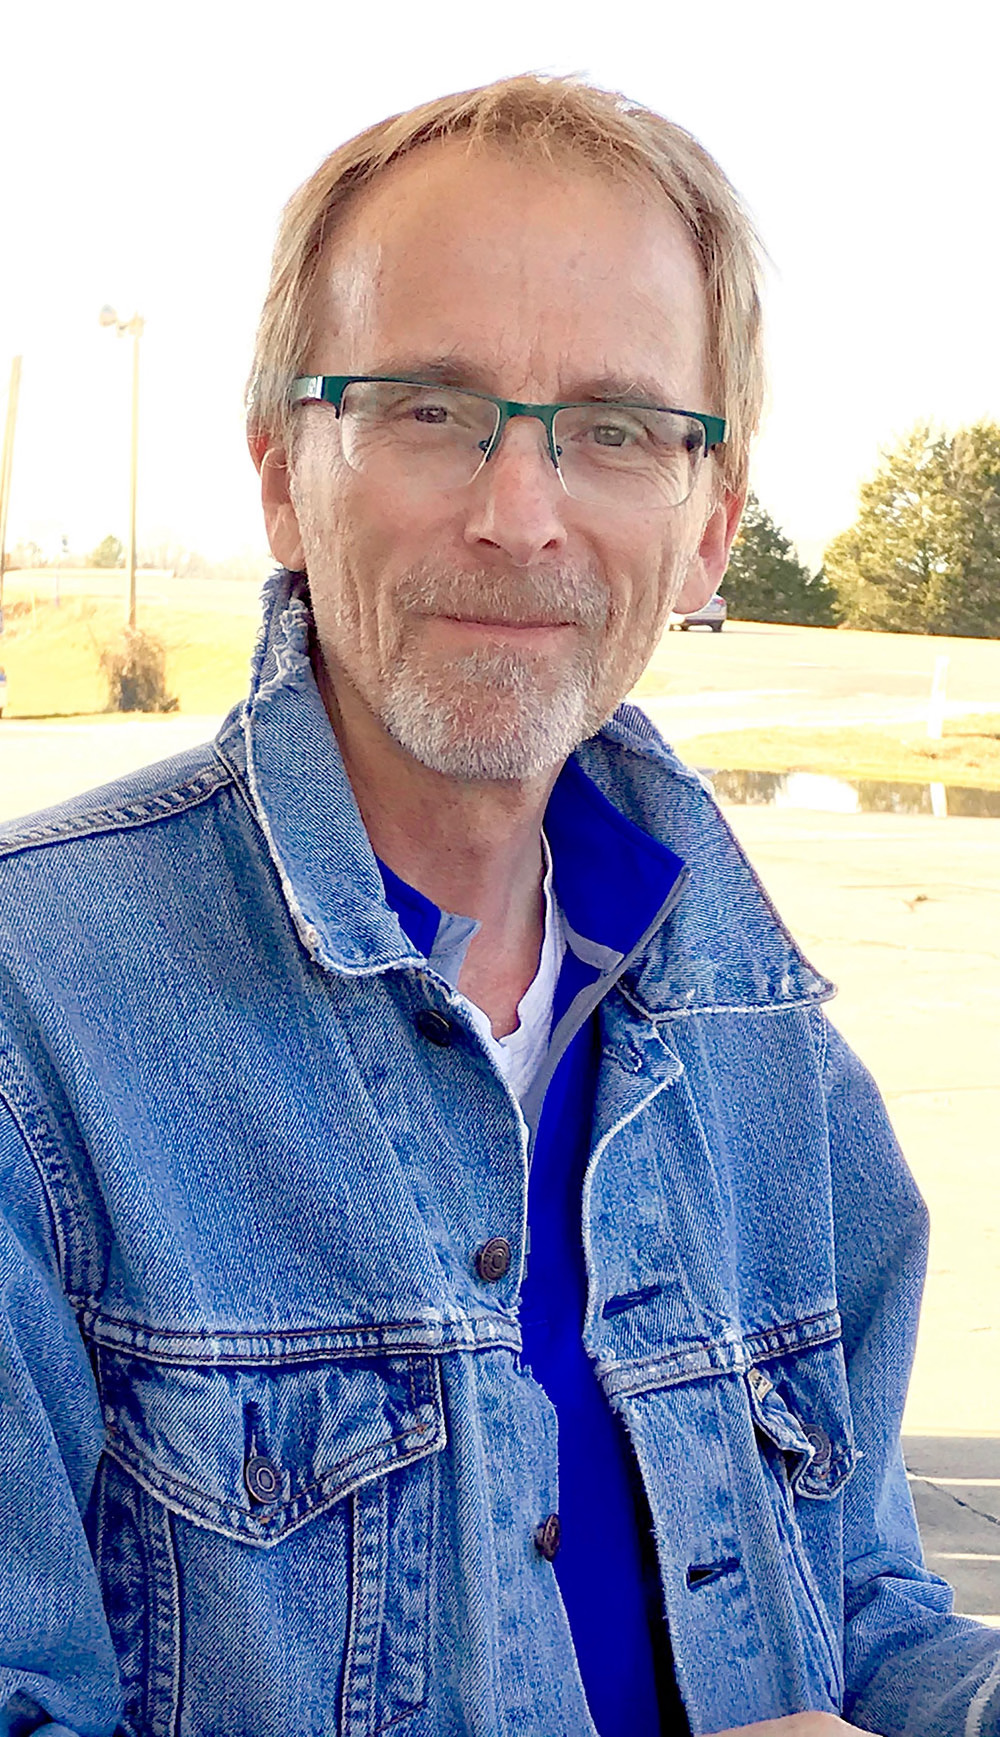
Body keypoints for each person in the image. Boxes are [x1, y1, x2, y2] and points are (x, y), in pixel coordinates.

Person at [0, 74, 997, 1737]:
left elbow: (860, 1604)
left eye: (615, 429)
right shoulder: (36, 1019)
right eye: (428, 407)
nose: (519, 512)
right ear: (279, 476)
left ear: (708, 530)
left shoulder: (774, 1051)